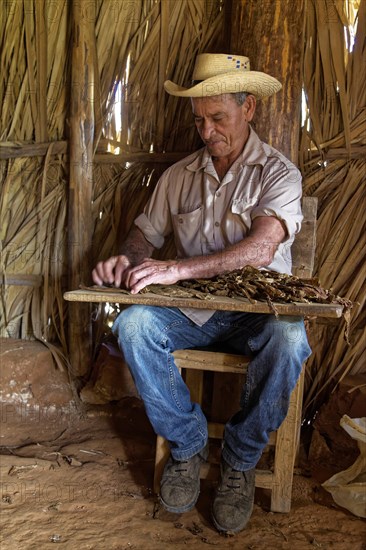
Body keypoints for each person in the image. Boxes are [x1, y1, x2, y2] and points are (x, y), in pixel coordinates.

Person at [92, 53, 312, 534]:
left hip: (260, 314)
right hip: (194, 314)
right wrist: (125, 259)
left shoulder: (278, 173)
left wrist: (177, 268)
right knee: (133, 324)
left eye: (219, 118)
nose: (208, 131)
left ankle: (239, 461)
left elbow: (261, 248)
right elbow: (142, 236)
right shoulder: (179, 176)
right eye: (199, 121)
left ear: (248, 108)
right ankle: (188, 447)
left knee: (292, 339)